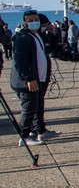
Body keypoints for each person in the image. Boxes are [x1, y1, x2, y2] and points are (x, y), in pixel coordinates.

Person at [9, 10, 60, 146]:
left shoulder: (37, 36)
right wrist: (29, 78)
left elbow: (48, 49)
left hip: (40, 78)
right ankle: (24, 136)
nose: (34, 22)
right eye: (30, 20)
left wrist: (53, 35)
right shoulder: (22, 38)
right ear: (25, 22)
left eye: (36, 19)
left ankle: (41, 131)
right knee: (29, 109)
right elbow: (20, 62)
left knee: (38, 107)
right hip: (28, 81)